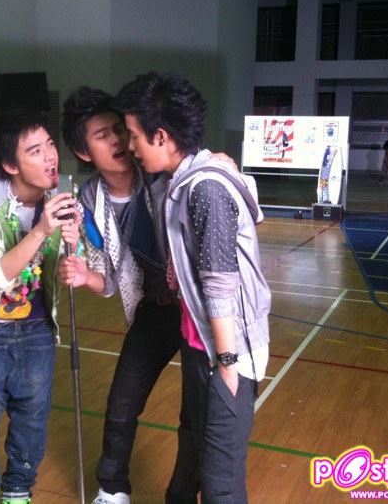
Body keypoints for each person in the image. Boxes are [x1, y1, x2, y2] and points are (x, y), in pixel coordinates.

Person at [116, 71, 271, 504]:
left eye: (134, 136)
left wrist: (227, 364)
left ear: (161, 136)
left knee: (221, 484)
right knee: (194, 452)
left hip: (225, 354)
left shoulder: (205, 187)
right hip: (198, 344)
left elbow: (220, 284)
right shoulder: (182, 181)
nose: (131, 146)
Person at [58, 87, 195, 504]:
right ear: (84, 152)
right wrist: (85, 276)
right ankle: (112, 487)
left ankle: (182, 496)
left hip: (194, 307)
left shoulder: (158, 171)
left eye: (120, 129)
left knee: (195, 413)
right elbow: (109, 279)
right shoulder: (88, 201)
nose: (118, 140)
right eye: (102, 136)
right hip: (153, 307)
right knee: (121, 402)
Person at [0, 111, 80, 504]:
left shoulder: (60, 196)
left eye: (50, 145)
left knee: (32, 420)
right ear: (11, 165)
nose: (50, 156)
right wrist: (42, 230)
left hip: (38, 328)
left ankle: (17, 492)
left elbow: (70, 268)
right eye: (35, 150)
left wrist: (73, 245)